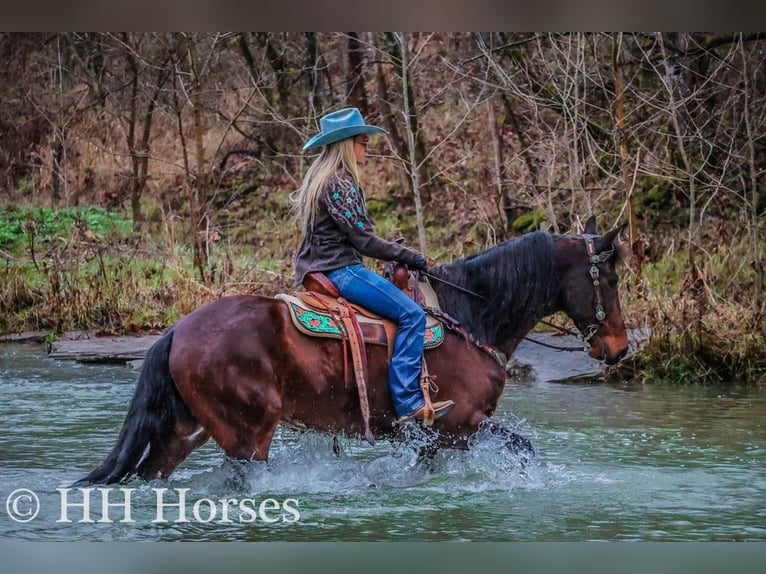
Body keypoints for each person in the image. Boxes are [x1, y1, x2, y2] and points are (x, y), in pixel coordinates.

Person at [291, 107, 455, 423]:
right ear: (347, 145)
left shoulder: (322, 181)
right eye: (363, 142)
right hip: (342, 270)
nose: (366, 148)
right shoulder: (339, 183)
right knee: (412, 314)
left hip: (323, 268)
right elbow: (365, 242)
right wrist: (412, 257)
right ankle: (407, 401)